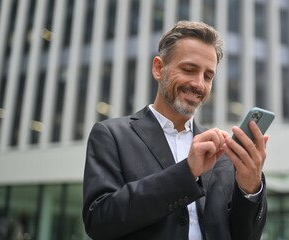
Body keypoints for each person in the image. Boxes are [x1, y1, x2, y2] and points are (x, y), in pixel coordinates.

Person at [82, 20, 269, 240]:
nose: (199, 84)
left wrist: (250, 188)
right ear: (159, 68)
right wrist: (187, 172)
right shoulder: (111, 135)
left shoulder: (222, 154)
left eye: (208, 76)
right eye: (189, 70)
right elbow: (99, 222)